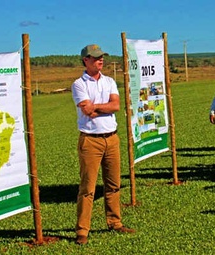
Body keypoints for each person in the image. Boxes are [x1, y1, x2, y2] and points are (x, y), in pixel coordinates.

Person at [71, 44, 135, 245]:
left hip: (112, 138)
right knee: (88, 188)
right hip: (90, 140)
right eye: (96, 57)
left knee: (114, 184)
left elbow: (116, 105)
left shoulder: (109, 81)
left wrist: (96, 106)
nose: (101, 60)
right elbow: (86, 111)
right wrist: (101, 108)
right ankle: (82, 230)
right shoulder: (79, 84)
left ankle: (115, 222)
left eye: (102, 57)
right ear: (85, 60)